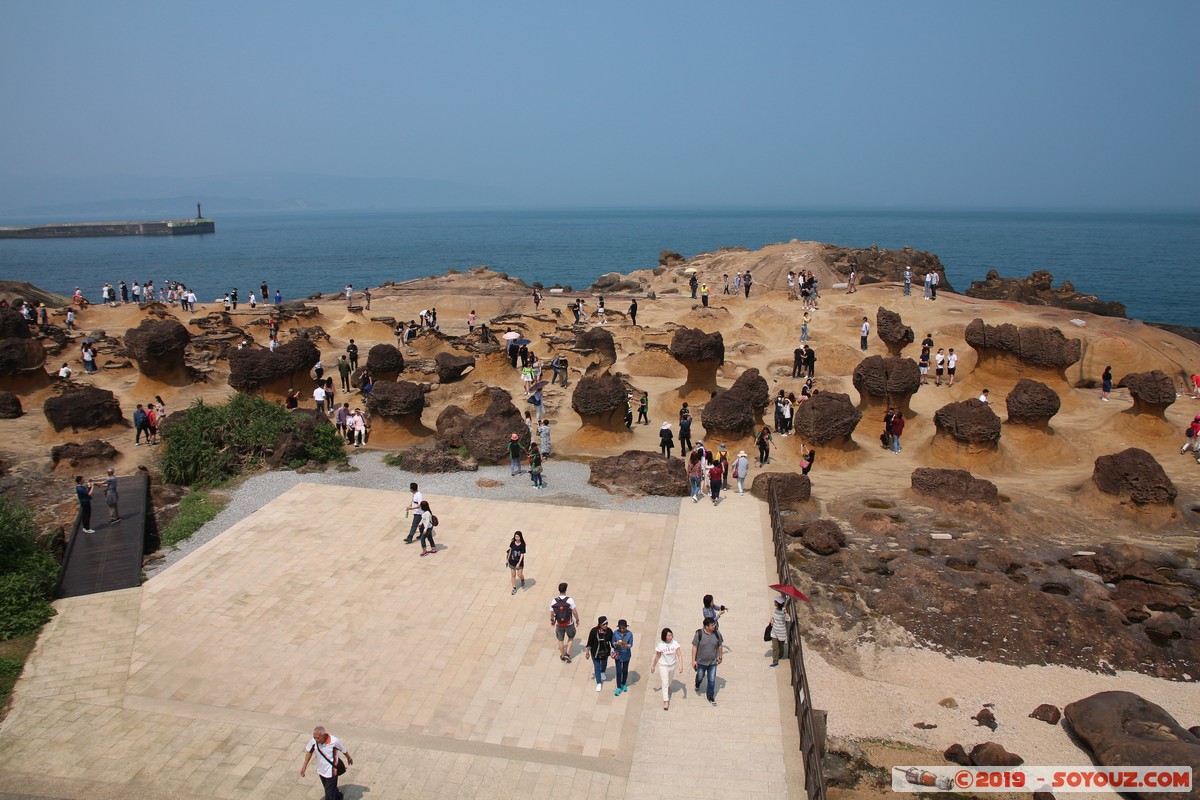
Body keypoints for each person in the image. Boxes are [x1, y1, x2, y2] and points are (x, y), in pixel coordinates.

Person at [300, 725, 352, 800]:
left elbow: (343, 750)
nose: (316, 739)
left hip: (332, 771)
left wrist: (349, 758)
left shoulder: (334, 741)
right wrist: (304, 767)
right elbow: (309, 752)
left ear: (323, 735)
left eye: (318, 738)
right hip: (321, 770)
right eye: (315, 737)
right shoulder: (313, 741)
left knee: (329, 794)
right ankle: (338, 796)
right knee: (329, 788)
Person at [691, 617, 723, 705]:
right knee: (700, 676)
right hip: (701, 662)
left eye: (714, 624)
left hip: (712, 662)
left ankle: (710, 696)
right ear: (706, 626)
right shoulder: (699, 634)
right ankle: (697, 684)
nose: (714, 626)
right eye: (712, 625)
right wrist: (693, 660)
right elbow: (694, 647)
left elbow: (720, 645)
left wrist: (720, 657)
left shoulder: (717, 633)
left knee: (712, 679)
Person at [650, 628, 681, 711]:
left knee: (669, 681)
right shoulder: (661, 645)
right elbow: (657, 656)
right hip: (663, 666)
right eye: (669, 635)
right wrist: (653, 665)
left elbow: (679, 655)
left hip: (672, 665)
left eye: (671, 635)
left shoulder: (675, 643)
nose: (671, 637)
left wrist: (680, 665)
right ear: (665, 637)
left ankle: (669, 687)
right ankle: (666, 701)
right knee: (665, 682)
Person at [551, 583, 580, 662]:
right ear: (566, 590)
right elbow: (574, 612)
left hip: (559, 624)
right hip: (569, 623)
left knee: (560, 640)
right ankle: (567, 653)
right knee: (570, 637)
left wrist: (552, 621)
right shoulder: (570, 600)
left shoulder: (554, 601)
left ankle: (563, 655)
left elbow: (552, 613)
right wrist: (577, 619)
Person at [585, 616, 614, 693]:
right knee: (597, 666)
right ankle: (598, 682)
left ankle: (603, 672)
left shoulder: (609, 631)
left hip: (605, 652)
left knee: (604, 664)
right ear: (600, 624)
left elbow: (612, 641)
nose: (605, 625)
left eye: (606, 624)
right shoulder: (594, 631)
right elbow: (590, 642)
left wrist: (614, 648)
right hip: (595, 652)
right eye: (604, 624)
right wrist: (587, 652)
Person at [611, 619, 633, 696]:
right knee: (619, 671)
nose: (622, 630)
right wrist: (616, 643)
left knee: (625, 670)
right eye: (620, 628)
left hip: (626, 654)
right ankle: (618, 686)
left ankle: (624, 683)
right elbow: (612, 643)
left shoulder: (629, 634)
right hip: (618, 654)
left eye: (623, 628)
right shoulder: (615, 633)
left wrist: (627, 646)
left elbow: (631, 644)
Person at [768, 596, 790, 667]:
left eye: (775, 602)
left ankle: (781, 654)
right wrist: (772, 619)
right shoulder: (776, 610)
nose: (774, 602)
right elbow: (775, 617)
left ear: (778, 603)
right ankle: (775, 660)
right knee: (775, 647)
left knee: (781, 646)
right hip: (774, 631)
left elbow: (788, 619)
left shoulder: (784, 611)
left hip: (781, 632)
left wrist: (786, 613)